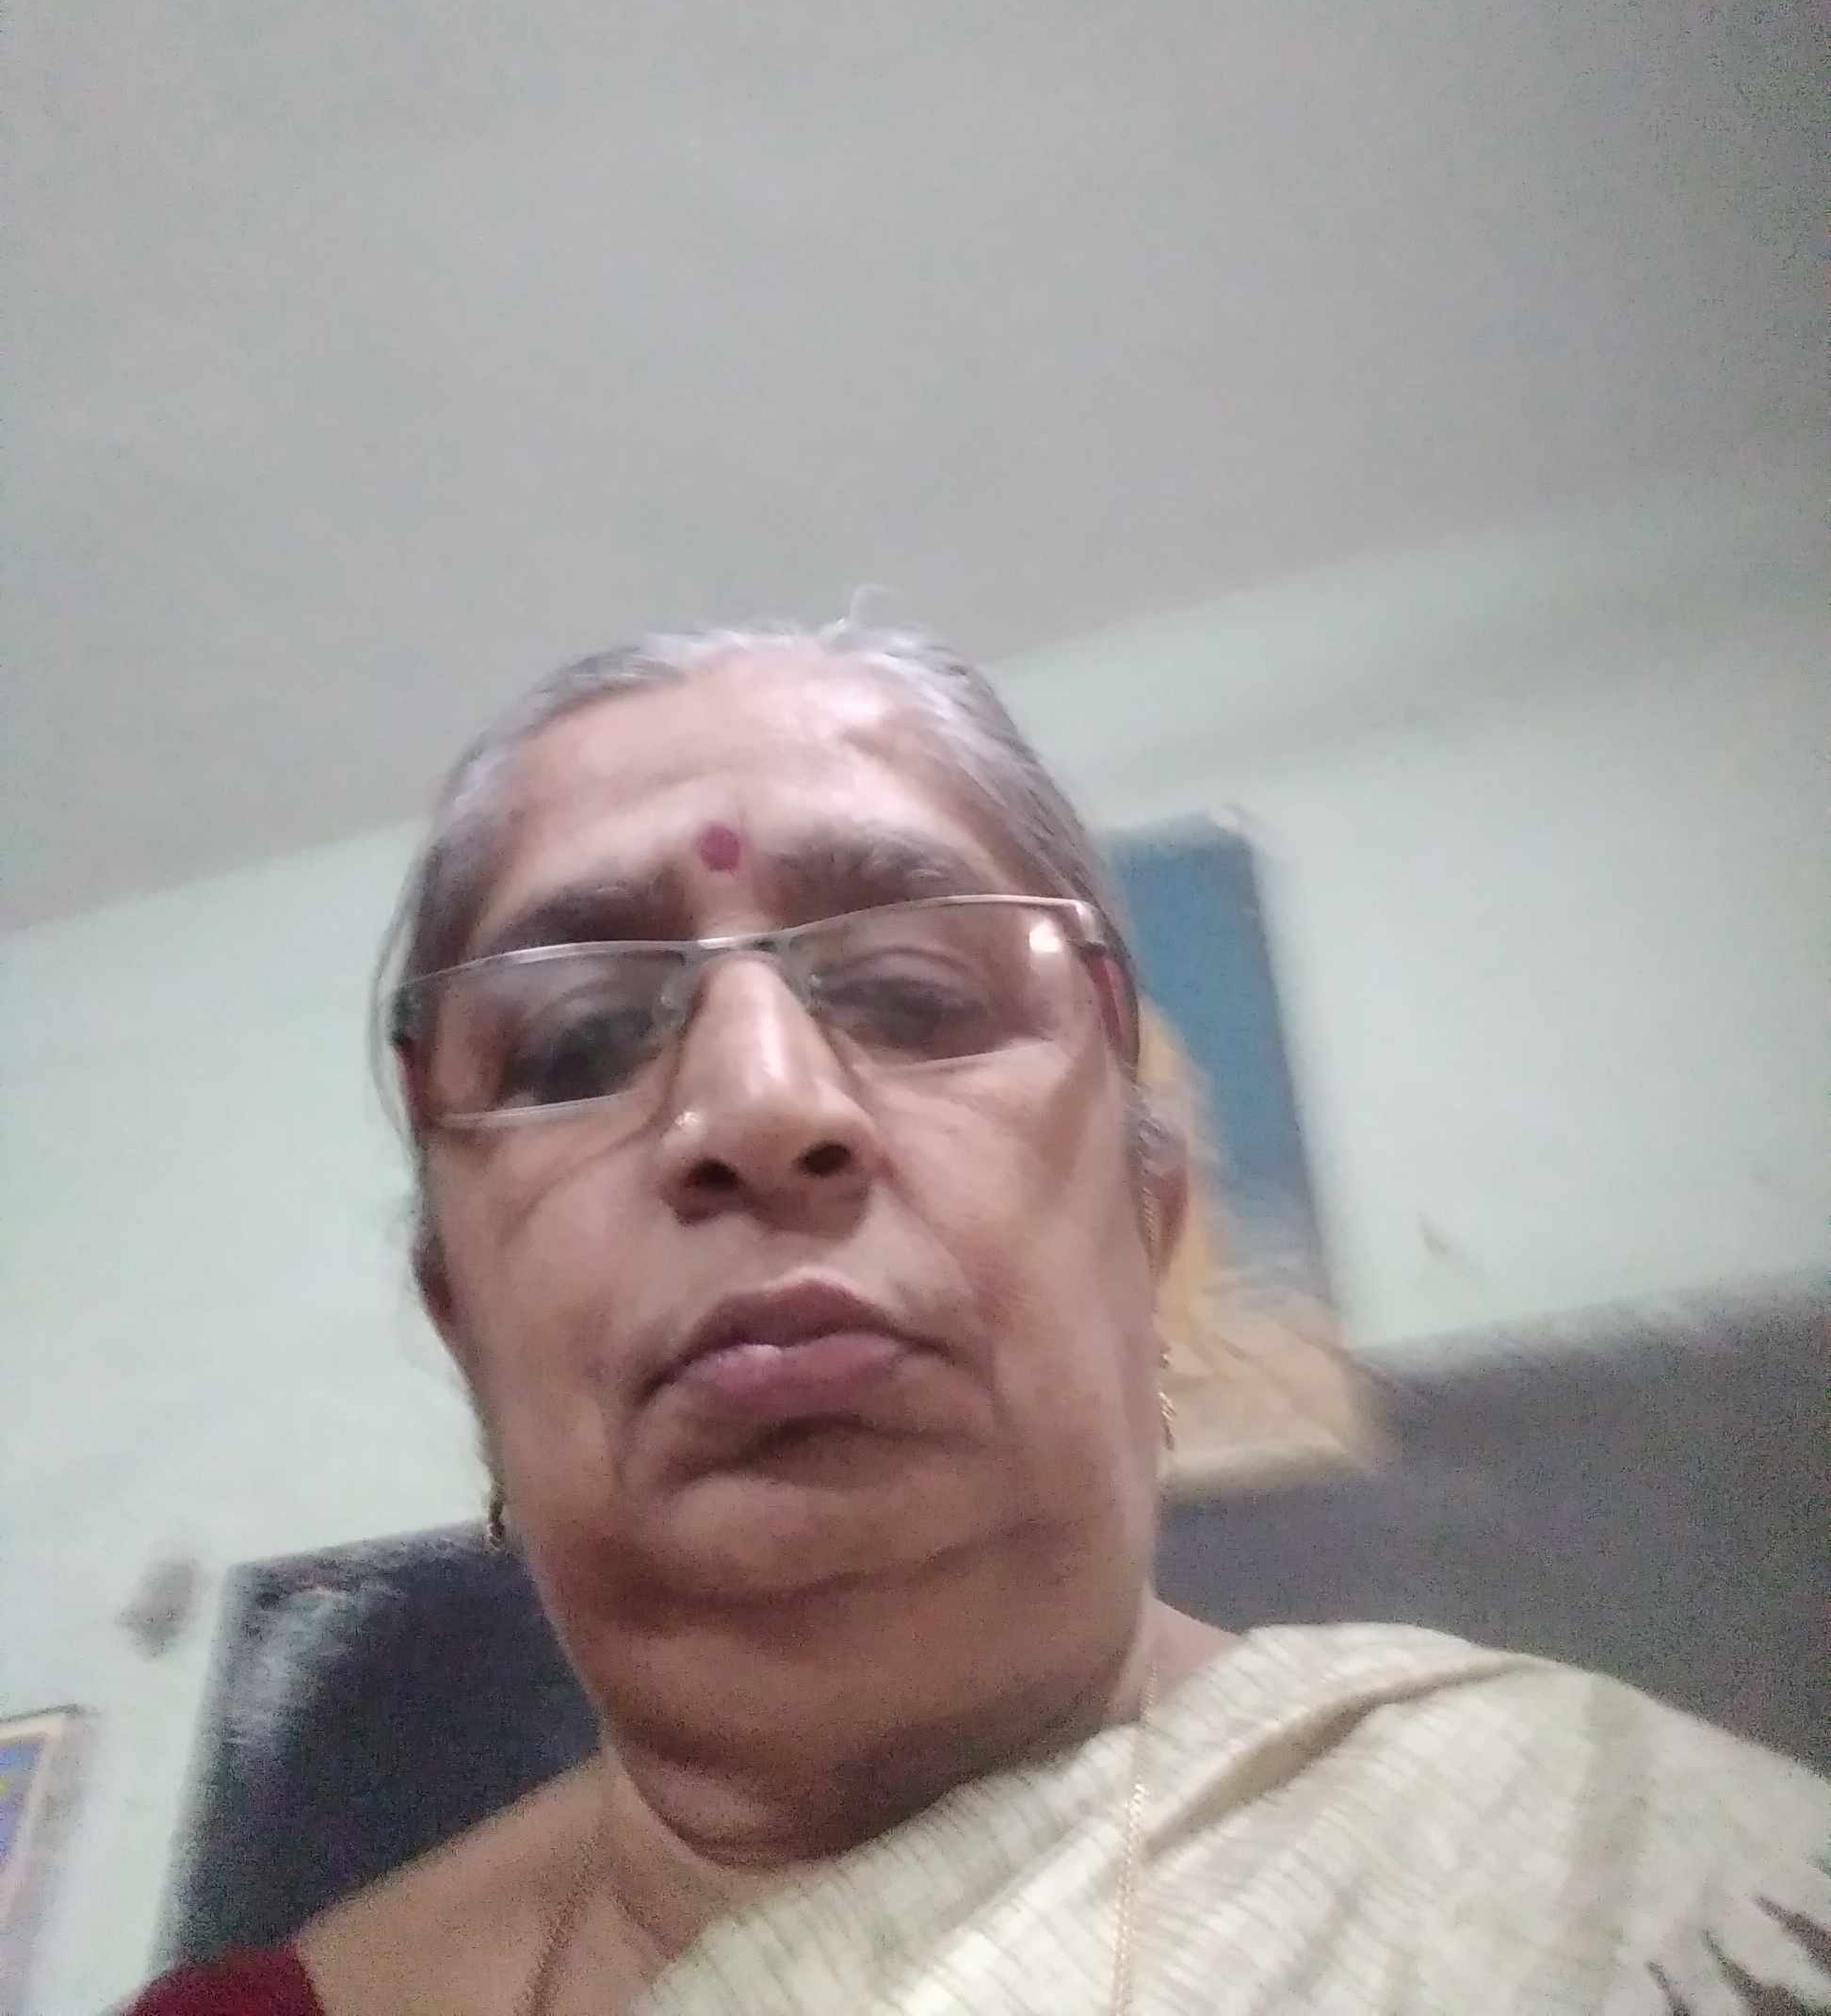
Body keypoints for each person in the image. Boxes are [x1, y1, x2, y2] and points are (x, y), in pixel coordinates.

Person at [128, 626, 1829, 2015]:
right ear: (465, 1331)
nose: (759, 1103)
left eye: (914, 991)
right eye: (578, 1040)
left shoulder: (1649, 1891)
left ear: (1147, 1227)